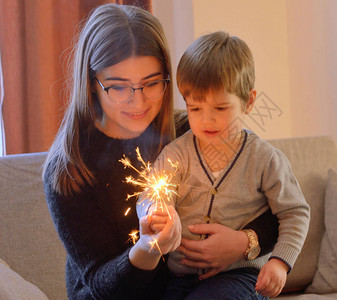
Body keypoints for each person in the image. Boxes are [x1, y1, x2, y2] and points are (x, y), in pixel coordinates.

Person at [42, 4, 278, 300]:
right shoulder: (70, 170)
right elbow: (104, 287)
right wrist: (148, 247)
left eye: (151, 83)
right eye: (118, 87)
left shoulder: (192, 130)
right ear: (91, 84)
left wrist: (244, 242)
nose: (138, 102)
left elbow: (281, 210)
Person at [139, 31, 310, 299]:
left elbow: (294, 213)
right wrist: (155, 212)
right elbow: (151, 194)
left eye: (220, 109)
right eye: (195, 109)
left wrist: (280, 262)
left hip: (240, 277)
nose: (207, 121)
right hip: (181, 278)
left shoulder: (265, 159)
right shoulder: (177, 154)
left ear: (249, 102)